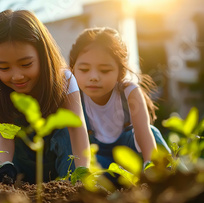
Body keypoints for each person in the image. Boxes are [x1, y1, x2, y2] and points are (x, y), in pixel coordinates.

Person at [0, 9, 91, 184]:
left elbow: (77, 129)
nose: (17, 76)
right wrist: (5, 167)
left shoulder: (64, 81)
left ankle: (70, 181)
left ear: (43, 55)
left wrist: (82, 176)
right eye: (4, 68)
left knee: (65, 127)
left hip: (58, 164)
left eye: (26, 64)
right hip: (21, 165)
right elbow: (4, 138)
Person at [69, 27, 170, 170]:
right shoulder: (74, 97)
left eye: (104, 70)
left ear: (120, 72)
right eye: (84, 70)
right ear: (73, 68)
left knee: (153, 132)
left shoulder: (129, 92)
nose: (93, 77)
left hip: (132, 160)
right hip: (101, 164)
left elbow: (144, 133)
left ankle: (173, 177)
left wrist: (151, 167)